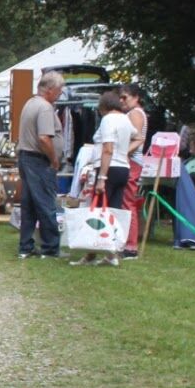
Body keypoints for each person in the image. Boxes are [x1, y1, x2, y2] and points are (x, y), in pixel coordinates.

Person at [74, 89, 133, 267]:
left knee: (98, 211)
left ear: (104, 107)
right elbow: (138, 136)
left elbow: (107, 148)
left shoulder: (108, 120)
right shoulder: (125, 119)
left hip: (109, 168)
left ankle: (91, 253)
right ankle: (111, 253)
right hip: (123, 167)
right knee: (113, 211)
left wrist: (102, 177)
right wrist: (125, 152)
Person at [16, 71, 66, 260]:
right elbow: (44, 138)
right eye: (59, 91)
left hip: (26, 157)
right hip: (39, 160)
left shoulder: (30, 103)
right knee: (45, 203)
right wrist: (54, 159)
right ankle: (50, 247)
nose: (60, 95)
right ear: (51, 89)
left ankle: (26, 246)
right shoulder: (45, 108)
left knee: (29, 204)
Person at [118, 83, 150, 258]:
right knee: (126, 202)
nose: (122, 101)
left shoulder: (135, 113)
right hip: (130, 160)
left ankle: (131, 246)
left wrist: (121, 152)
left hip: (132, 161)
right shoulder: (132, 113)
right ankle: (126, 243)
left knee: (128, 202)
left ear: (136, 97)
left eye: (125, 97)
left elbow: (137, 139)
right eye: (120, 97)